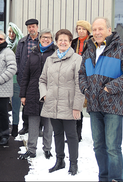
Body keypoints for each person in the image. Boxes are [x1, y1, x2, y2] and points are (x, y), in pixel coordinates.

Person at [79, 17, 123, 182]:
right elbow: (82, 74)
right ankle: (104, 178)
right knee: (98, 146)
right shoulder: (89, 50)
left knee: (113, 147)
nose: (97, 32)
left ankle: (116, 179)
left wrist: (109, 88)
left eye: (101, 29)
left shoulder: (121, 49)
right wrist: (85, 89)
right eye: (95, 29)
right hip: (94, 106)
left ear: (109, 29)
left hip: (113, 105)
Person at [39, 29, 84, 175]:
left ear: (70, 42)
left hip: (69, 104)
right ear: (56, 42)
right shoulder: (50, 59)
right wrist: (45, 95)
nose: (63, 42)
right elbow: (42, 80)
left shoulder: (77, 59)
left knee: (71, 135)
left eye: (66, 40)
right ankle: (60, 161)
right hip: (52, 103)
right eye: (60, 40)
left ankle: (73, 163)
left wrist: (77, 106)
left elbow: (80, 84)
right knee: (57, 133)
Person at [19, 28, 55, 159]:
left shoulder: (55, 54)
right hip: (33, 92)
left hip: (49, 93)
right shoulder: (33, 54)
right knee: (33, 123)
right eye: (44, 37)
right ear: (40, 39)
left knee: (48, 124)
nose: (45, 39)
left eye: (48, 37)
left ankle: (47, 149)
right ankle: (32, 149)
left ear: (52, 40)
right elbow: (25, 76)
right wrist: (23, 95)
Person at [15, 18, 39, 135]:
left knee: (39, 102)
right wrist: (19, 72)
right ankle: (26, 126)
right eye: (29, 27)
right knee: (25, 102)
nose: (31, 29)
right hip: (25, 76)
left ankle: (39, 127)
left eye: (33, 26)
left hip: (38, 77)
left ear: (37, 27)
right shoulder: (23, 42)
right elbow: (17, 58)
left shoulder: (42, 41)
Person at [71, 20, 92, 142]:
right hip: (74, 74)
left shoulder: (93, 42)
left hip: (88, 75)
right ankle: (76, 133)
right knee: (76, 104)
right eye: (78, 28)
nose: (81, 31)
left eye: (83, 29)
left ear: (87, 30)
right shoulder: (74, 42)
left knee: (84, 104)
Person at [6, 22, 24, 137]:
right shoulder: (5, 43)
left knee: (16, 104)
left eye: (13, 32)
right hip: (5, 77)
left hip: (16, 77)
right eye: (9, 32)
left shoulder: (21, 43)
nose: (11, 34)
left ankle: (15, 125)